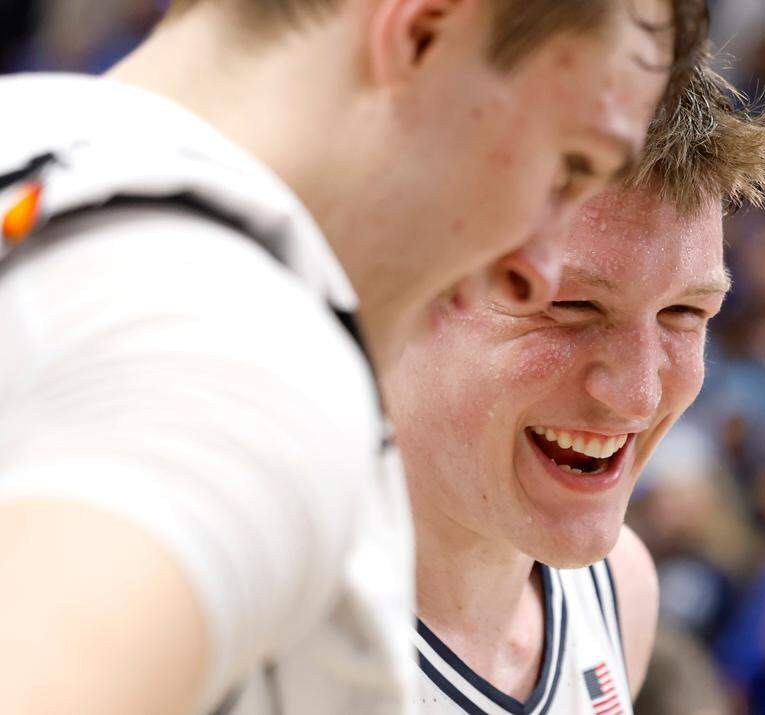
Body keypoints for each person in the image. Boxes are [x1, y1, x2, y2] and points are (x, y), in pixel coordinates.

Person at [0, 1, 709, 713]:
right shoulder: (235, 367)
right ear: (423, 32)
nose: (530, 264)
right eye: (566, 165)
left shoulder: (40, 143)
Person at [380, 60, 765, 712]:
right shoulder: (243, 629)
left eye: (684, 314)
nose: (638, 394)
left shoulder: (622, 589)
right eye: (570, 305)